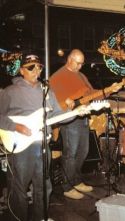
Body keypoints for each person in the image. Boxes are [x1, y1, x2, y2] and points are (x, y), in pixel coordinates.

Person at [0, 54, 84, 220]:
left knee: (44, 187)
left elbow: (58, 115)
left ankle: (41, 217)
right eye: (31, 67)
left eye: (38, 67)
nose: (36, 70)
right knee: (19, 189)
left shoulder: (46, 91)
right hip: (21, 145)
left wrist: (75, 112)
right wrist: (16, 126)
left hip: (42, 145)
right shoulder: (10, 92)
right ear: (21, 70)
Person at [49, 49, 98, 200]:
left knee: (84, 151)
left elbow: (90, 92)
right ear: (69, 59)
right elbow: (56, 101)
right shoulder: (58, 76)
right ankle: (67, 186)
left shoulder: (81, 75)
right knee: (71, 153)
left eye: (82, 63)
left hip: (83, 117)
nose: (80, 66)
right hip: (69, 120)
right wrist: (70, 103)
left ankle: (75, 180)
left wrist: (108, 91)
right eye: (78, 63)